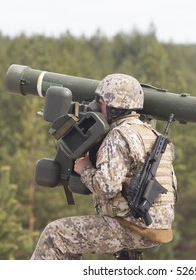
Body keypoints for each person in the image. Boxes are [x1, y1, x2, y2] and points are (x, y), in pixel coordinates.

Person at [31, 73, 177, 260]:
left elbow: (106, 187)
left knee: (56, 235)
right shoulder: (152, 134)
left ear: (108, 105)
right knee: (70, 242)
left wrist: (84, 168)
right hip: (158, 227)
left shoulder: (119, 136)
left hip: (131, 227)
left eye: (99, 101)